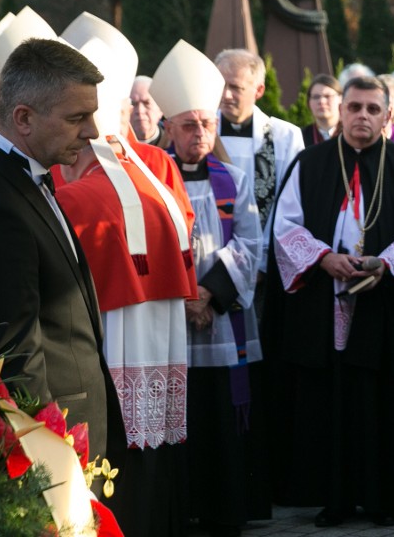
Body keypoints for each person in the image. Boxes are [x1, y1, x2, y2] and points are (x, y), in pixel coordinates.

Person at [272, 76, 394, 527]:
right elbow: (285, 229)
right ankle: (336, 500)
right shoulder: (310, 163)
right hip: (326, 305)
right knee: (332, 400)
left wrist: (384, 265)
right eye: (354, 107)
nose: (362, 116)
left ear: (388, 116)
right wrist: (323, 258)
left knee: (383, 399)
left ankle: (385, 499)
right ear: (341, 111)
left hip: (382, 305)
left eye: (372, 109)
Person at [57, 29, 196, 536]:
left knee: (113, 446)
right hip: (161, 329)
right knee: (155, 448)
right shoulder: (158, 168)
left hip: (104, 329)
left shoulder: (67, 188)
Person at [151, 39, 265, 537]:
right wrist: (184, 297)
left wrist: (209, 295)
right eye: (189, 125)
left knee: (221, 422)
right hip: (170, 322)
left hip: (220, 319)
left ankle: (224, 513)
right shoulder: (151, 181)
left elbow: (251, 244)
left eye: (208, 124)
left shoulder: (235, 179)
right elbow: (149, 247)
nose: (200, 133)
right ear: (169, 128)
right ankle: (180, 511)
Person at [0, 38, 124, 479]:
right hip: (50, 440)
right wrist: (48, 449)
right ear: (24, 118)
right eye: (77, 118)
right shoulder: (3, 198)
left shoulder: (33, 178)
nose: (92, 131)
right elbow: (16, 346)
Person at [214, 49, 305, 302]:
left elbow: (291, 206)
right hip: (209, 265)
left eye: (235, 87)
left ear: (259, 90)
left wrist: (261, 261)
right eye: (221, 85)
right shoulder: (202, 131)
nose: (225, 95)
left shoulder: (284, 137)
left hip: (267, 267)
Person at [301, 73, 341, 147]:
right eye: (316, 97)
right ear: (308, 102)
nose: (321, 101)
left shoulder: (351, 134)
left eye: (327, 96)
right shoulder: (301, 137)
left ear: (340, 99)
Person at [130, 75, 166, 146]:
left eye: (147, 103)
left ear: (161, 108)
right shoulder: (114, 147)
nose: (140, 111)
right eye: (133, 103)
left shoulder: (176, 147)